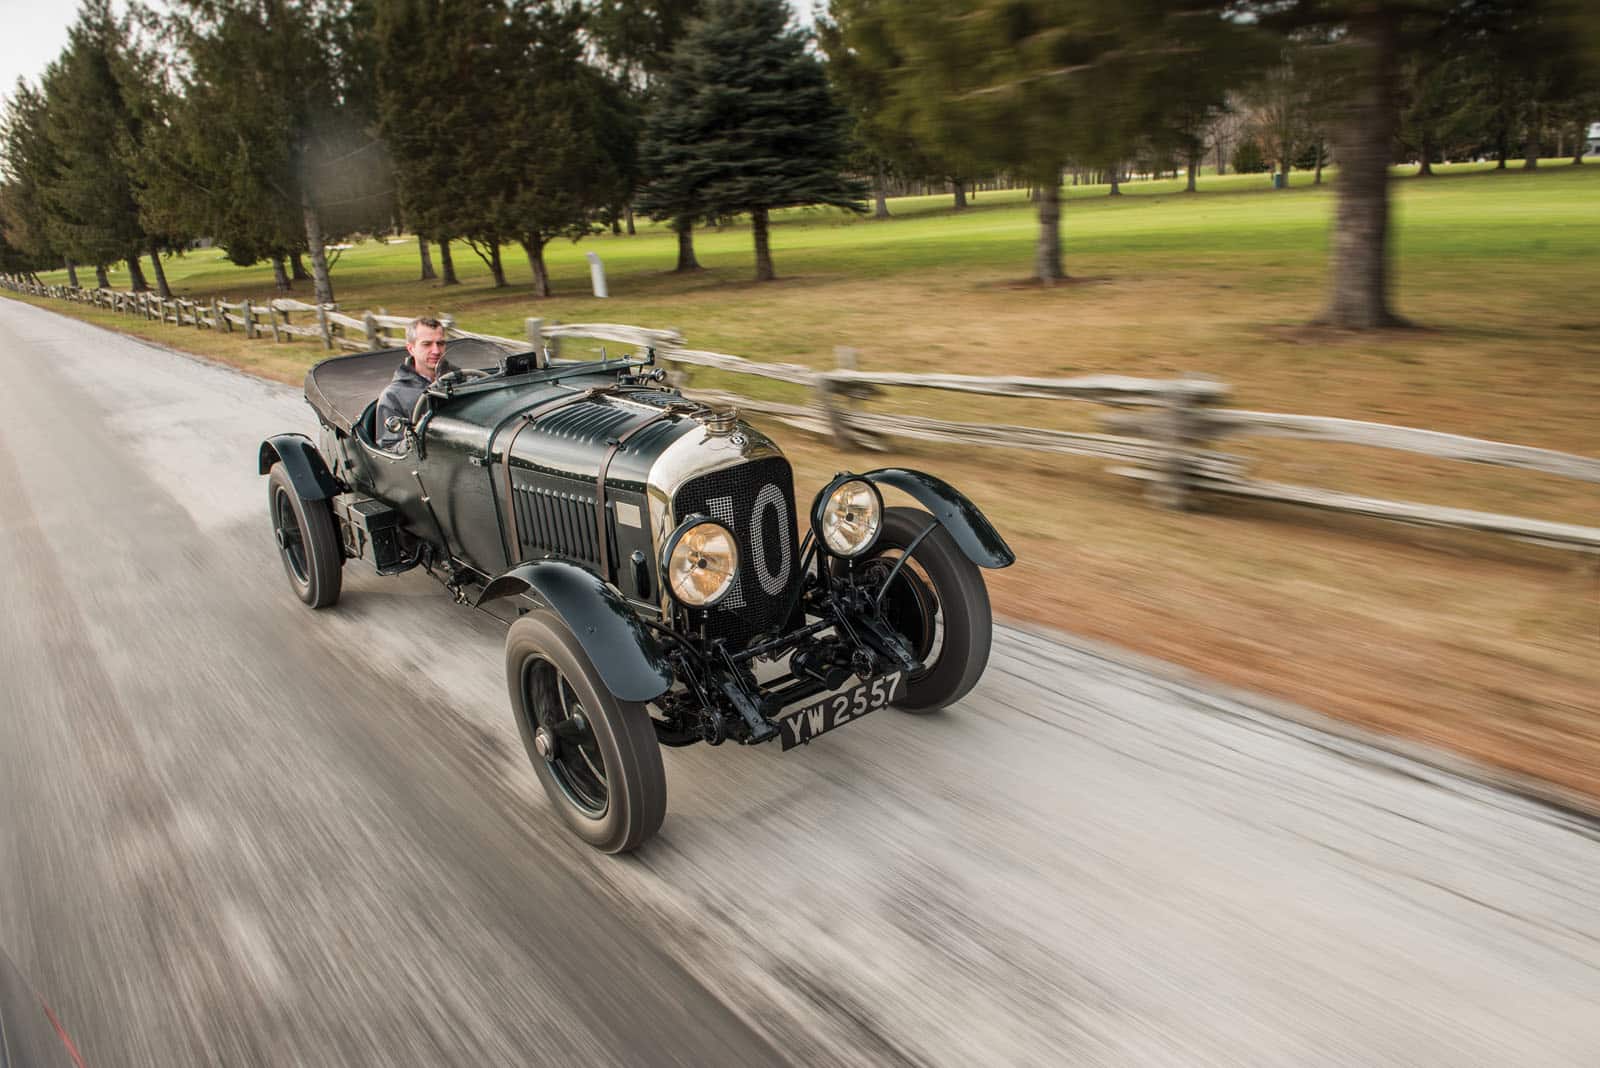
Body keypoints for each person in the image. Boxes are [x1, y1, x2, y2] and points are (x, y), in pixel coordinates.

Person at [376, 317, 452, 448]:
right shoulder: (393, 395)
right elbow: (389, 446)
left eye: (440, 343)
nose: (436, 351)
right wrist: (419, 436)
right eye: (427, 344)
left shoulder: (462, 379)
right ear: (411, 348)